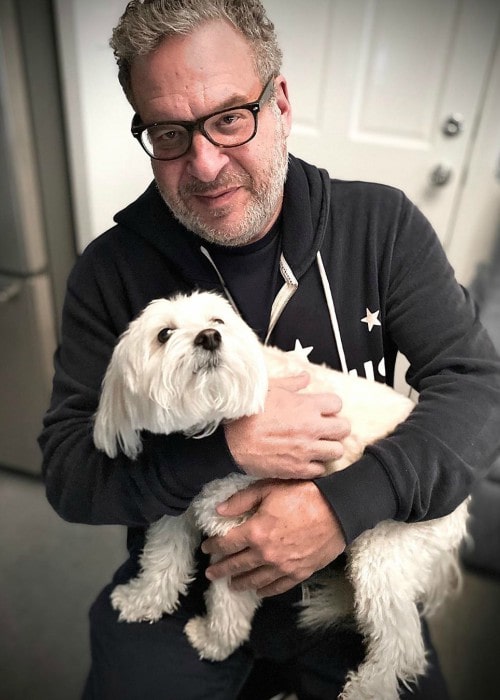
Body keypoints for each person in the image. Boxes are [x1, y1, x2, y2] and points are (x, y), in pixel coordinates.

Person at [39, 1, 500, 698]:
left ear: (278, 100)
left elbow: (478, 389)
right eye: (169, 132)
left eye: (229, 117)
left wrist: (341, 509)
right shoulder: (108, 272)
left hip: (360, 553)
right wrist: (227, 449)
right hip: (194, 566)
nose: (204, 163)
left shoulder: (383, 225)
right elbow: (70, 472)